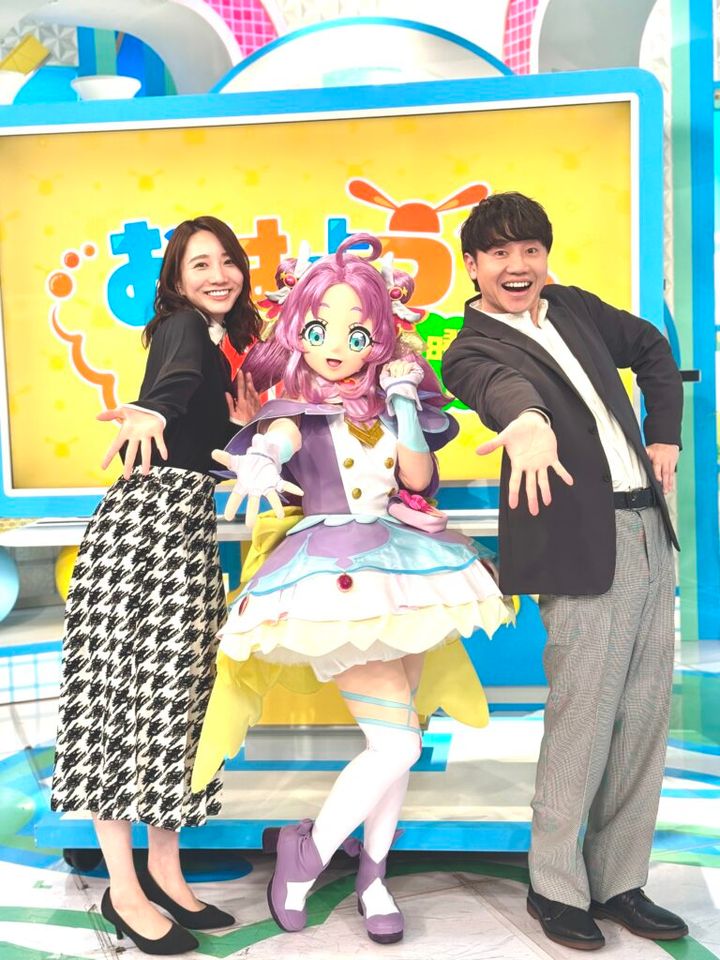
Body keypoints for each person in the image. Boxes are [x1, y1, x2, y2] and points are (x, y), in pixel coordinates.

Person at [191, 233, 512, 945]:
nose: (335, 347)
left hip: (402, 567)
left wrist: (403, 402)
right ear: (296, 331)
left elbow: (419, 479)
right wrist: (258, 463)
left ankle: (373, 875)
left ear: (380, 337)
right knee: (395, 745)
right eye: (318, 330)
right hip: (330, 575)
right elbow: (275, 444)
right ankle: (305, 855)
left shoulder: (388, 400)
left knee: (401, 737)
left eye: (356, 333)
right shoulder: (293, 408)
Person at [442, 192, 687, 951]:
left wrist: (665, 435)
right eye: (500, 253)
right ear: (473, 265)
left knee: (643, 716)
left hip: (646, 527)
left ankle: (619, 881)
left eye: (531, 250)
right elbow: (503, 394)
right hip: (580, 542)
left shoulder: (575, 306)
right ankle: (554, 887)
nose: (518, 265)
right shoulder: (468, 348)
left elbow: (652, 349)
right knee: (582, 721)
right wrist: (528, 425)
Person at [51, 216, 262, 955]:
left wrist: (244, 427)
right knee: (117, 708)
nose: (218, 274)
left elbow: (205, 440)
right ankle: (124, 889)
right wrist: (154, 408)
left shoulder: (223, 346)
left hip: (182, 532)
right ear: (175, 279)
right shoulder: (182, 328)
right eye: (199, 263)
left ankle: (166, 875)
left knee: (175, 710)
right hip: (144, 534)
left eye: (227, 260)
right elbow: (172, 384)